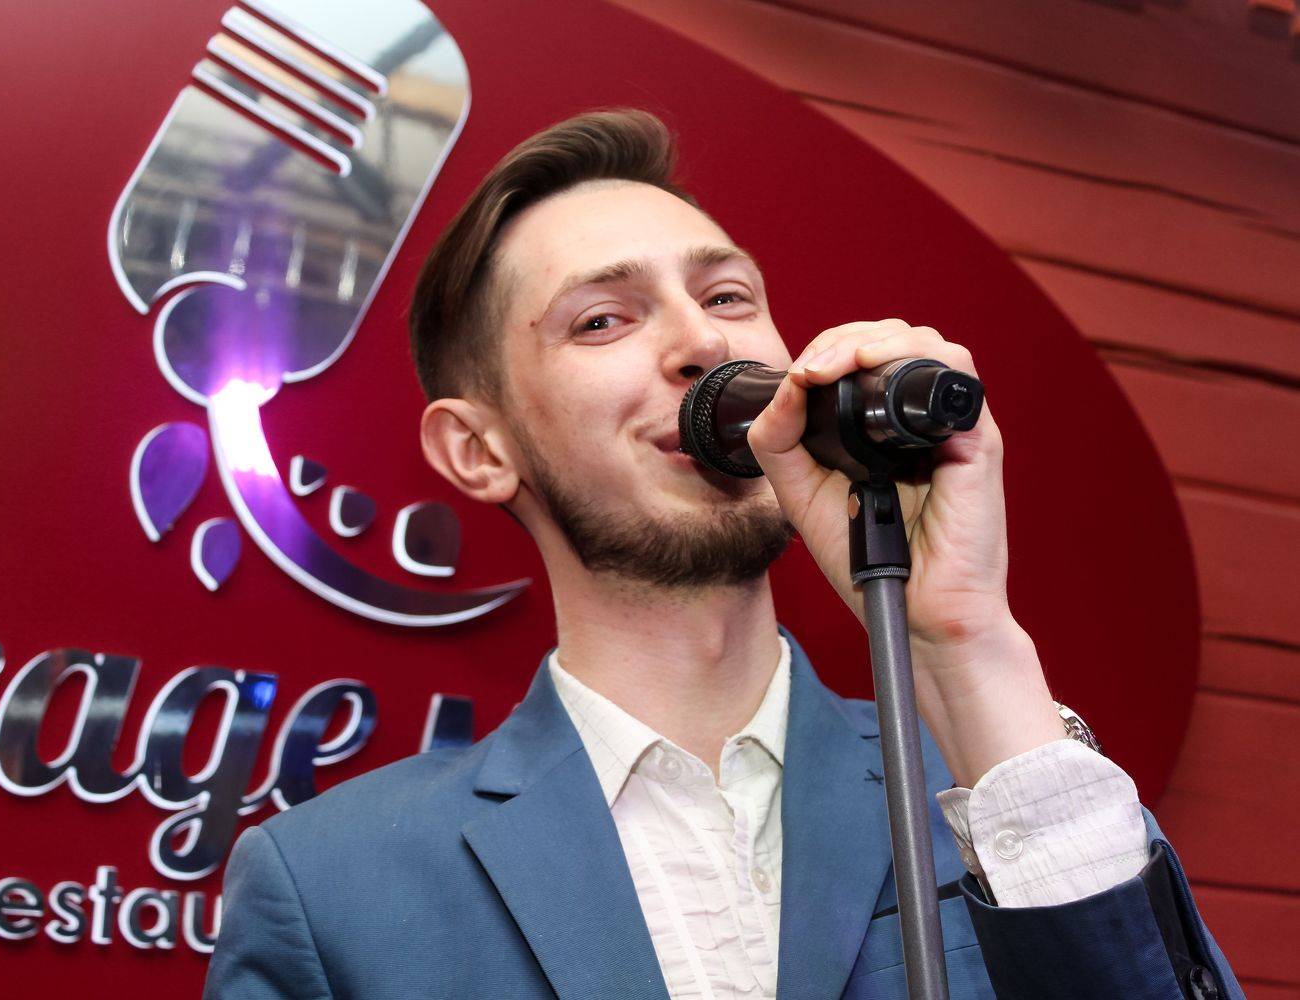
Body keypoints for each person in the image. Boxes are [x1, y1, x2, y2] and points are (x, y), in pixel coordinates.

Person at [203, 109, 1241, 999]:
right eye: (602, 319)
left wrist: (964, 640)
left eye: (729, 296)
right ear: (480, 450)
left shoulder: (999, 787)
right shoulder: (333, 885)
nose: (703, 342)